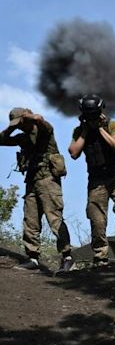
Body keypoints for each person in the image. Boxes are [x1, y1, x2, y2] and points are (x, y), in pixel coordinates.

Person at [0, 108, 74, 272]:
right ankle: (33, 258)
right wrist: (12, 127)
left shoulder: (43, 132)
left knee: (54, 218)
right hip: (32, 181)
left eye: (20, 124)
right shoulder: (22, 138)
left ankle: (67, 257)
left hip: (48, 179)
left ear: (27, 119)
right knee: (30, 220)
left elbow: (43, 122)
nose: (18, 127)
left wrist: (31, 117)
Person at [68, 94, 115, 266]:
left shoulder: (111, 125)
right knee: (96, 217)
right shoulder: (79, 131)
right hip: (96, 180)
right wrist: (86, 131)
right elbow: (73, 152)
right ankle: (101, 256)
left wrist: (99, 128)